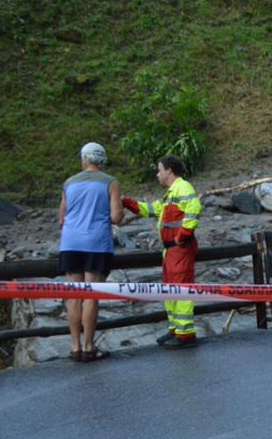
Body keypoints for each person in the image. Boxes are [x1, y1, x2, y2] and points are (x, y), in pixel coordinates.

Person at [123, 155, 202, 349]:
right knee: (171, 290)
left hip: (179, 249)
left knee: (181, 289)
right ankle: (176, 329)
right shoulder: (171, 194)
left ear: (169, 170)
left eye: (159, 170)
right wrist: (127, 202)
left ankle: (185, 335)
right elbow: (152, 209)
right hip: (172, 250)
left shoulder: (183, 188)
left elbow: (194, 209)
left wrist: (182, 235)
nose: (157, 174)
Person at [58, 142, 124, 363]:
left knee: (74, 296)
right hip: (96, 242)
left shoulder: (69, 183)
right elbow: (116, 217)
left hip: (70, 242)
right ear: (102, 161)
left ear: (84, 160)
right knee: (91, 296)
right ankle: (89, 346)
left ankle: (75, 346)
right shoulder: (110, 182)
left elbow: (61, 218)